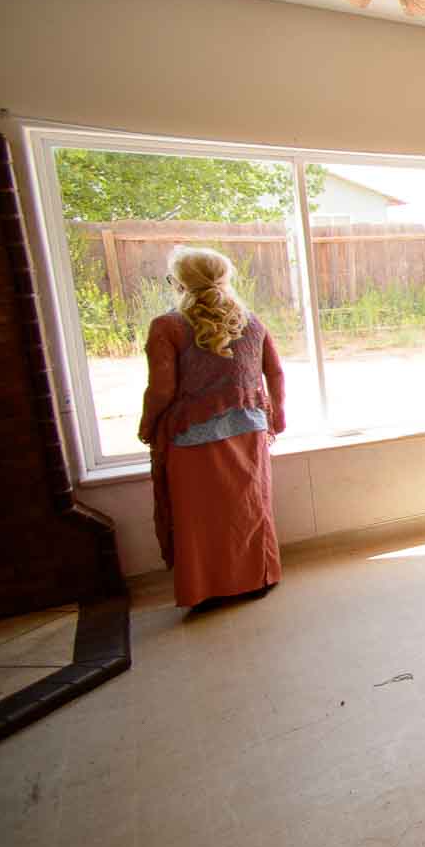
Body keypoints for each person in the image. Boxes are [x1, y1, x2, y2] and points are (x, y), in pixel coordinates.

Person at [137, 246, 286, 611]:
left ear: (180, 283)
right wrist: (277, 416)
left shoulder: (167, 327)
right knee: (249, 507)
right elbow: (275, 372)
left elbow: (162, 389)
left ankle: (205, 589)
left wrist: (147, 424)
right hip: (249, 430)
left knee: (198, 516)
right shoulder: (251, 322)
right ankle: (257, 578)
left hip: (192, 438)